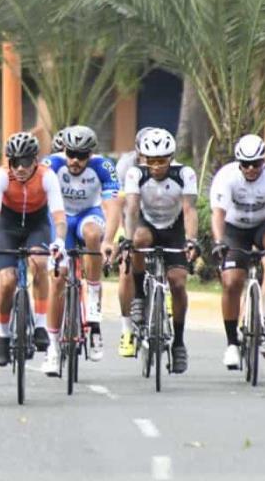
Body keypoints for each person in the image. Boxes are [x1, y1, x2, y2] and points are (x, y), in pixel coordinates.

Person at [210, 134, 265, 368]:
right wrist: (219, 241)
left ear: (263, 161)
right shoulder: (226, 177)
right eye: (245, 164)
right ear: (238, 162)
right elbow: (218, 213)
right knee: (231, 282)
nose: (250, 169)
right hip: (234, 228)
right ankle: (231, 344)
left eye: (256, 164)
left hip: (264, 224)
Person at [0, 132, 67, 367]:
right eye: (14, 162)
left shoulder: (47, 176)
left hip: (36, 225)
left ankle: (40, 325)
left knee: (39, 263)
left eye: (25, 162)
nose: (19, 168)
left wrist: (59, 240)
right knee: (7, 281)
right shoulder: (1, 176)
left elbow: (59, 215)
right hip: (8, 227)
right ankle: (2, 334)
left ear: (35, 161)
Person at [40, 125, 119, 373]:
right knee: (58, 280)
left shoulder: (102, 167)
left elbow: (112, 207)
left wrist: (109, 240)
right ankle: (53, 349)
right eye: (71, 153)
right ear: (63, 149)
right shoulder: (51, 164)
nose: (75, 160)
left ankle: (93, 308)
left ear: (90, 154)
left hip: (88, 214)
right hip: (60, 219)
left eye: (81, 155)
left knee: (94, 234)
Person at [122, 128, 199, 374]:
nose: (156, 166)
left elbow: (189, 210)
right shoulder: (136, 173)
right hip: (147, 225)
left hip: (174, 228)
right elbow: (132, 209)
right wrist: (127, 239)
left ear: (171, 157)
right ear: (143, 158)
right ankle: (139, 297)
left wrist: (191, 240)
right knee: (139, 238)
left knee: (177, 282)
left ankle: (178, 343)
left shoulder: (184, 174)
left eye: (161, 161)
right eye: (151, 160)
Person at [114, 126, 155, 357]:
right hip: (129, 219)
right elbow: (121, 203)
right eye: (144, 157)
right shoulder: (125, 165)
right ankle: (127, 329)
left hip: (157, 219)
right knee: (126, 270)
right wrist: (123, 236)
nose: (150, 162)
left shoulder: (167, 165)